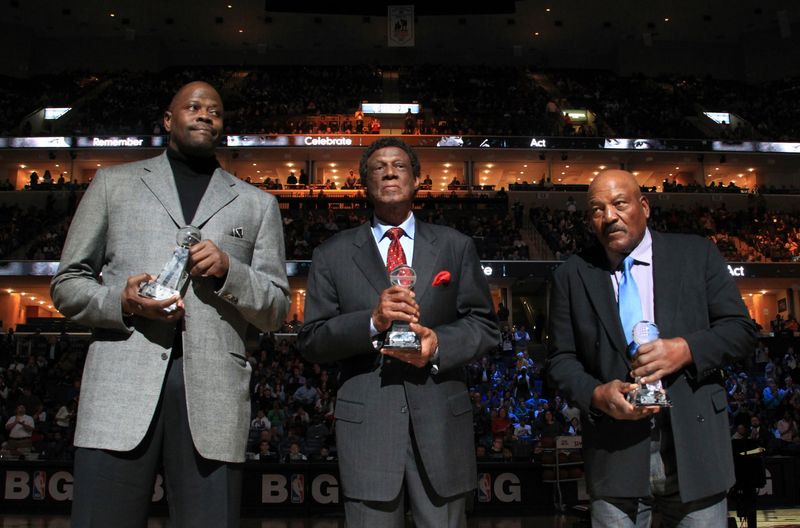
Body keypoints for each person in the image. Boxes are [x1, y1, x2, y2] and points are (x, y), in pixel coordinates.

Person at [50, 81, 291, 528]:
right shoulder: (112, 184)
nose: (204, 115)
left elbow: (277, 308)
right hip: (118, 392)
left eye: (215, 111)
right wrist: (120, 302)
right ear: (168, 120)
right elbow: (67, 283)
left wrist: (228, 272)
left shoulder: (258, 205)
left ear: (222, 127)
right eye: (193, 106)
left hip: (213, 398)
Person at [298, 137, 499, 528]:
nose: (389, 171)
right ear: (364, 183)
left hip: (441, 426)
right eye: (378, 167)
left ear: (418, 180)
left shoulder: (455, 247)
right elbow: (313, 340)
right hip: (369, 431)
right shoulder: (331, 254)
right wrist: (371, 322)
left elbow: (485, 326)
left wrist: (438, 344)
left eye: (399, 165)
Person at [547, 169, 756, 527]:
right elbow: (560, 361)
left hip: (695, 448)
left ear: (644, 206)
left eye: (619, 203)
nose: (609, 216)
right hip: (615, 453)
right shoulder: (572, 274)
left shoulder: (697, 254)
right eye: (597, 209)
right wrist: (597, 394)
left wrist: (686, 348)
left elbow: (741, 331)